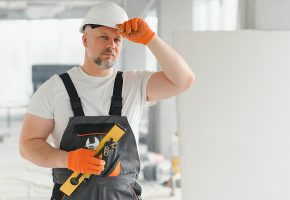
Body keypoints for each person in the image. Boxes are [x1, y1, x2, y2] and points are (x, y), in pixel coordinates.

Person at [19, 1, 195, 200]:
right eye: (103, 37)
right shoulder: (55, 88)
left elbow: (184, 80)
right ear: (85, 40)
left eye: (117, 39)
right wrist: (68, 159)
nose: (111, 45)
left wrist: (150, 39)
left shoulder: (134, 84)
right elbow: (28, 145)